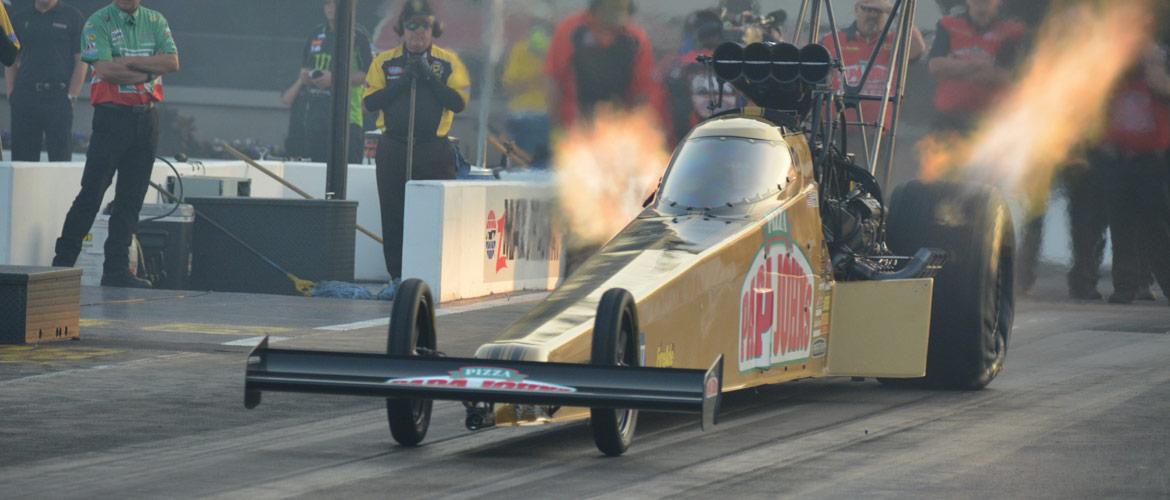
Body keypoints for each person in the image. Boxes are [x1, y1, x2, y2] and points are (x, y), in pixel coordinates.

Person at [50, 0, 178, 288]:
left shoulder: (155, 21)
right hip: (111, 117)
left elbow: (172, 63)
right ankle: (62, 265)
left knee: (131, 198)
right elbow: (106, 70)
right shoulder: (99, 21)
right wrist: (149, 71)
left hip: (146, 118)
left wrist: (130, 62)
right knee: (92, 192)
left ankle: (116, 270)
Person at [362, 0, 468, 280]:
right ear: (402, 29)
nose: (418, 33)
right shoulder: (384, 61)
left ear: (434, 30)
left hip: (434, 150)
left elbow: (459, 103)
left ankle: (435, 276)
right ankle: (397, 278)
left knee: (434, 217)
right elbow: (370, 103)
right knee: (393, 215)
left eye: (425, 27)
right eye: (412, 27)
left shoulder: (449, 62)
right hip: (393, 148)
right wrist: (402, 79)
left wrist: (430, 77)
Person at [1099, 40, 1170, 305]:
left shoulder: (1156, 79)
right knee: (1120, 227)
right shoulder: (1116, 82)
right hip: (1119, 160)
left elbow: (1162, 86)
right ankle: (1125, 287)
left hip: (1149, 162)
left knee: (1158, 228)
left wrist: (1150, 60)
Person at [821, 0, 925, 178]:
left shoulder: (895, 40)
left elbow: (917, 50)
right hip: (839, 129)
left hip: (880, 133)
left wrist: (895, 11)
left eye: (878, 11)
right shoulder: (833, 39)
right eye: (867, 9)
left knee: (875, 181)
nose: (872, 15)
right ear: (856, 9)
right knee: (835, 181)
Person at [544, 0, 665, 130]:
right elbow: (553, 80)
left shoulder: (636, 40)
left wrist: (640, 130)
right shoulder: (571, 31)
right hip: (574, 129)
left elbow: (644, 92)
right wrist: (556, 126)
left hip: (619, 131)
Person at [293, 0, 375, 164]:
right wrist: (310, 77)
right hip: (316, 114)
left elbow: (370, 74)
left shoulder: (359, 35)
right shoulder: (316, 33)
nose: (330, 7)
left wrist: (335, 79)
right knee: (316, 171)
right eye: (326, 3)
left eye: (335, 3)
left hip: (347, 117)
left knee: (347, 171)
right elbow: (303, 69)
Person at [927, 0, 1025, 133]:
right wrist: (980, 64)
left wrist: (953, 68)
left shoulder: (1011, 31)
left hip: (990, 121)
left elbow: (1005, 78)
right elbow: (935, 66)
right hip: (948, 118)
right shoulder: (948, 25)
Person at [6, 0, 86, 162]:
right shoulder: (20, 18)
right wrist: (11, 93)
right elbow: (12, 59)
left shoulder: (72, 17)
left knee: (60, 159)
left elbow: (81, 61)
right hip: (25, 97)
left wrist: (72, 96)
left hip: (58, 97)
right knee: (22, 162)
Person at [666, 9, 736, 147]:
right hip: (734, 145)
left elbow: (664, 108)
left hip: (688, 146)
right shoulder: (739, 63)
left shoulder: (679, 63)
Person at [500, 16, 552, 167]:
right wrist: (536, 79)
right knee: (523, 160)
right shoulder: (520, 50)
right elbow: (509, 86)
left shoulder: (552, 51)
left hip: (543, 116)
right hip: (521, 115)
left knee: (541, 162)